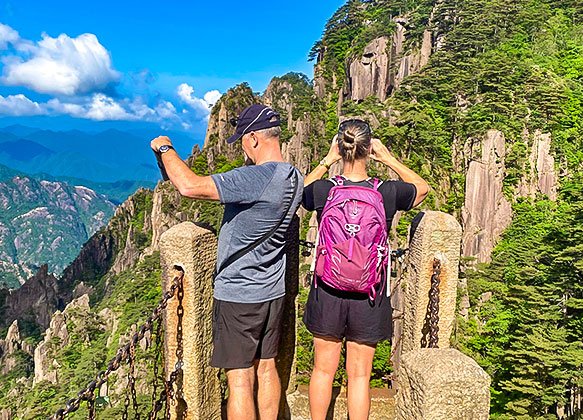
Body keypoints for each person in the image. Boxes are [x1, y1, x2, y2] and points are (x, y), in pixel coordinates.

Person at [150, 104, 303, 420]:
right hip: (273, 292)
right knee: (266, 367)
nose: (243, 150)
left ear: (253, 139)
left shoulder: (255, 178)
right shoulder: (293, 175)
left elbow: (189, 186)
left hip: (240, 295)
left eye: (243, 142)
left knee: (239, 380)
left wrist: (165, 148)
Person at [301, 119, 429, 420]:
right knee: (359, 376)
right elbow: (422, 189)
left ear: (340, 147)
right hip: (369, 293)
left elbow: (295, 193)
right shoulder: (387, 192)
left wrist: (326, 161)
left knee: (322, 370)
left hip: (327, 290)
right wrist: (388, 159)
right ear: (368, 148)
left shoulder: (324, 189)